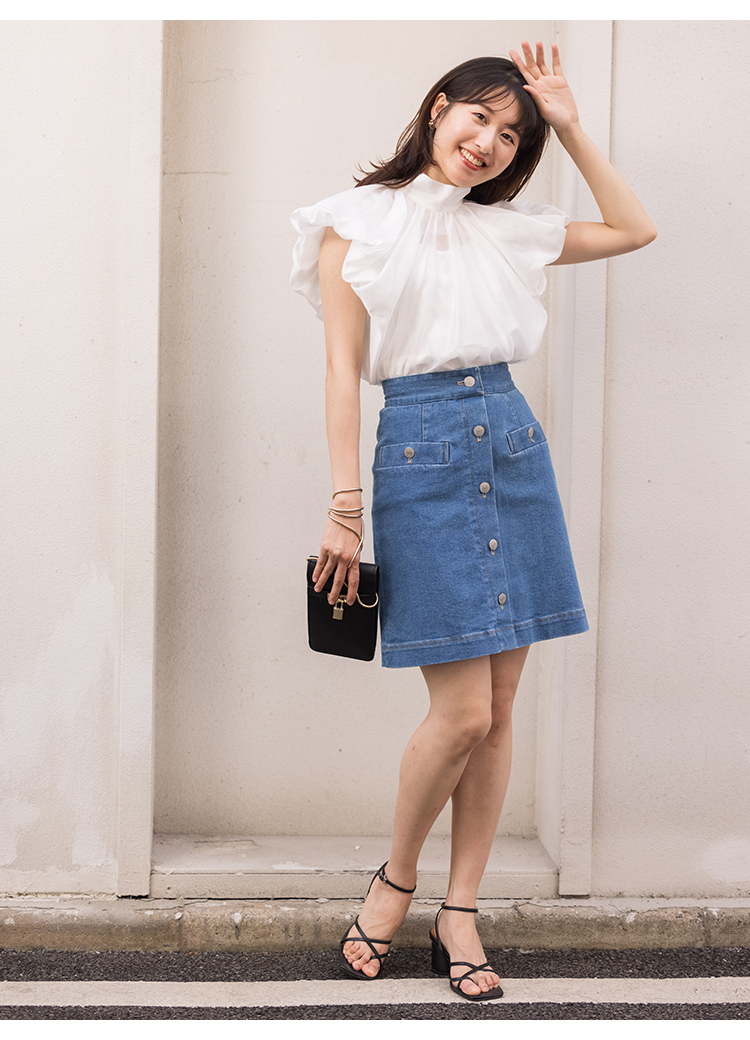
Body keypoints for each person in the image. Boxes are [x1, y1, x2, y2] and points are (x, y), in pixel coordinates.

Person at [290, 41, 655, 1001]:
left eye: (512, 134)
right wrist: (343, 505)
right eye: (479, 116)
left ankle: (461, 910)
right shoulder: (354, 223)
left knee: (498, 712)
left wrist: (570, 125)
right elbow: (340, 371)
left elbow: (635, 227)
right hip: (420, 449)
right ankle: (396, 882)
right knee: (462, 714)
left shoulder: (508, 230)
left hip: (513, 445)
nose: (489, 141)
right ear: (438, 107)